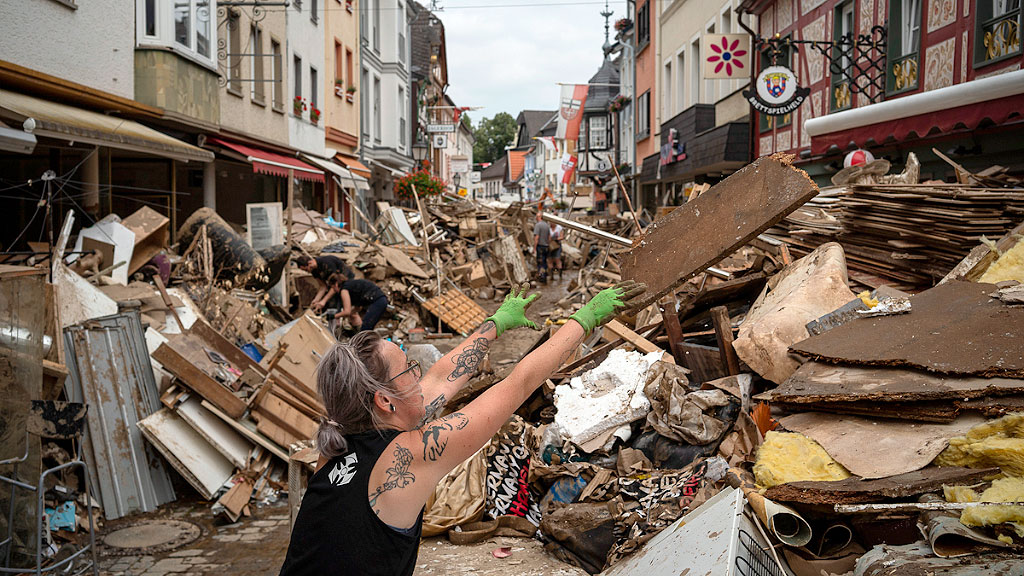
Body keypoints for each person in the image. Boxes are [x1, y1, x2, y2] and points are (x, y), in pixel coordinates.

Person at [278, 280, 646, 576]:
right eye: (408, 370)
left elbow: (439, 379)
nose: (418, 375)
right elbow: (518, 384)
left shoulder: (340, 443)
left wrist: (495, 324)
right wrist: (584, 320)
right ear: (384, 402)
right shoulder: (408, 455)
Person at [533, 212, 551, 284]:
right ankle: (545, 276)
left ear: (538, 217)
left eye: (537, 217)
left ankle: (542, 277)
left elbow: (536, 237)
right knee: (544, 261)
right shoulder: (546, 225)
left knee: (540, 262)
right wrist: (548, 244)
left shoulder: (538, 225)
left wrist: (534, 247)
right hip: (546, 246)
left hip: (540, 246)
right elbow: (549, 237)